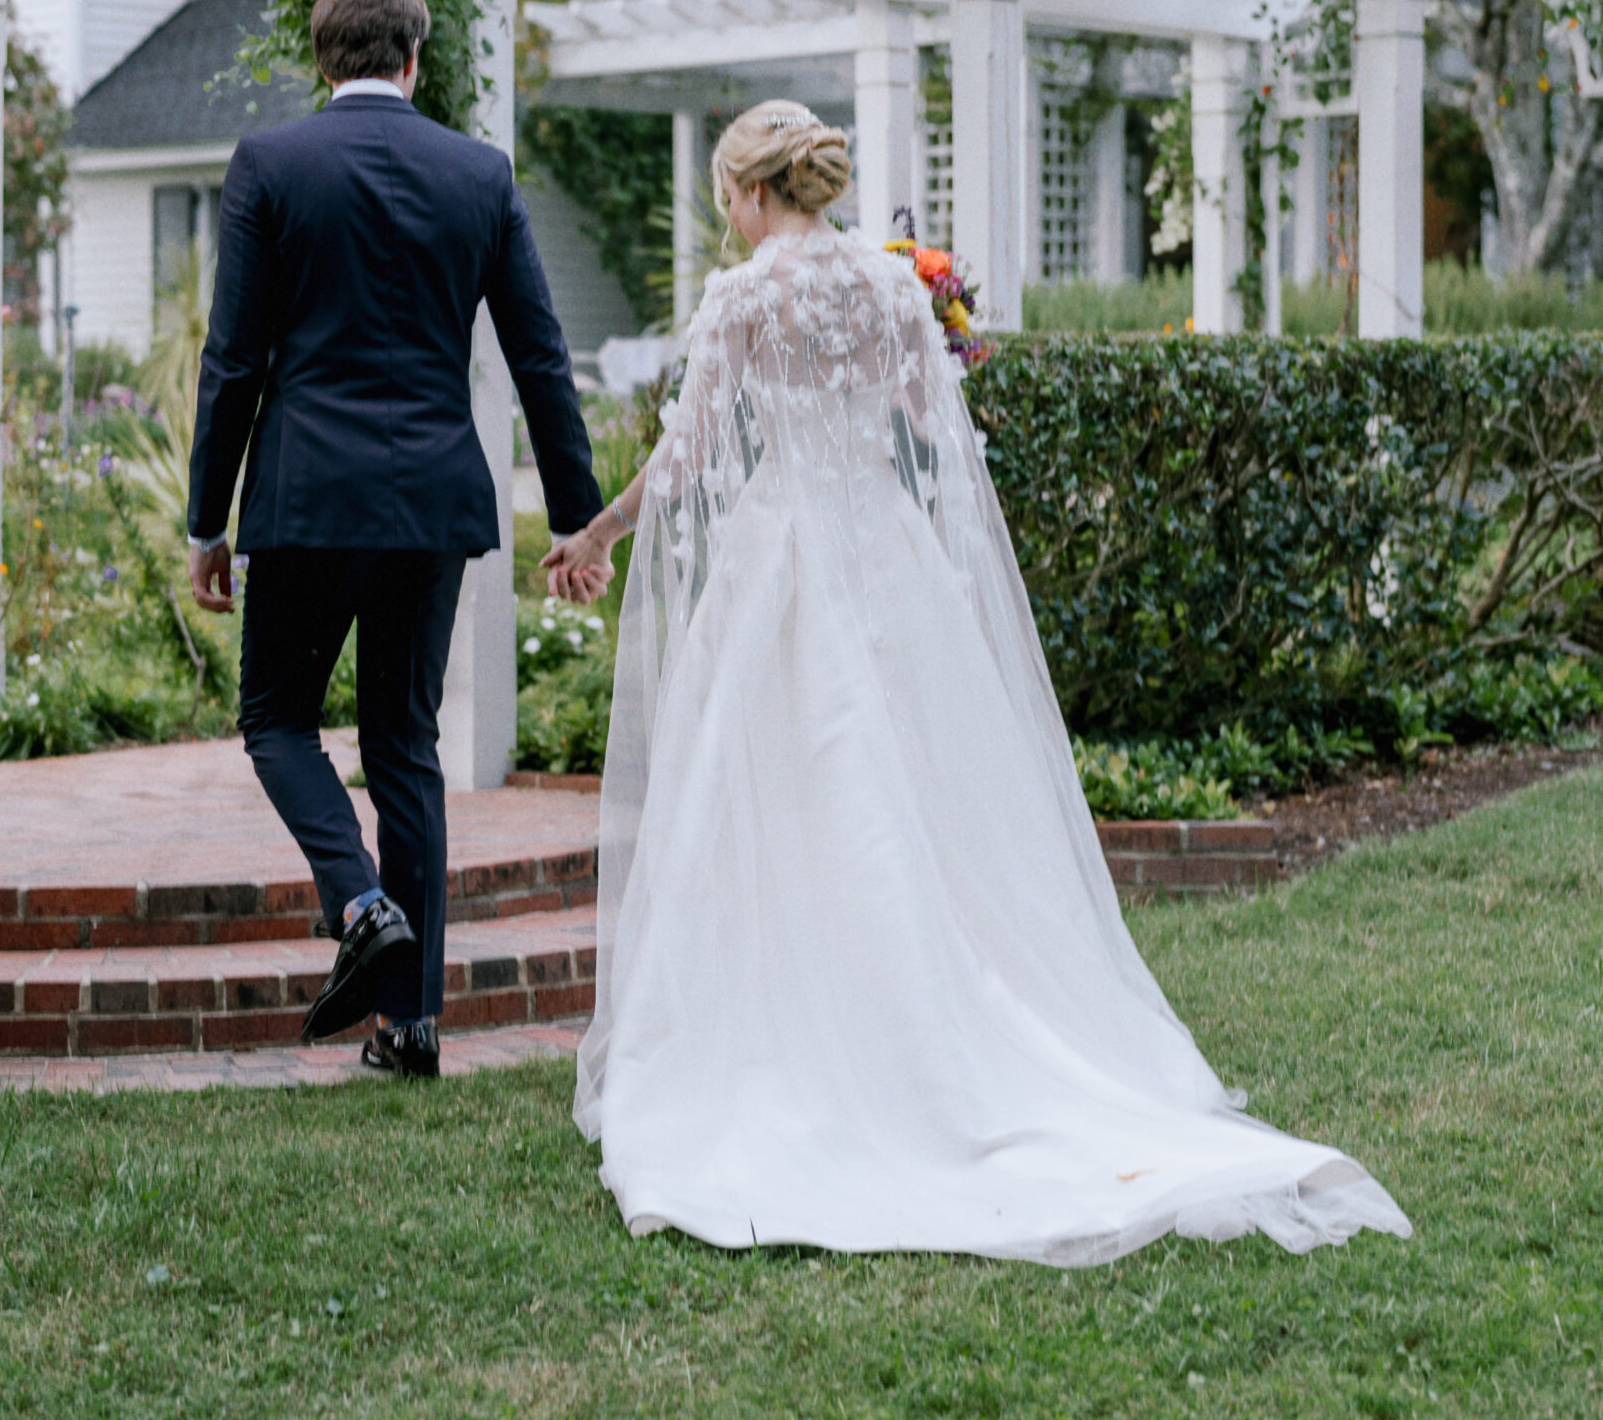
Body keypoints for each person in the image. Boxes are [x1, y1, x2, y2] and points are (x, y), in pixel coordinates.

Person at [542, 101, 1411, 1261]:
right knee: (911, 804)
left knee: (786, 800)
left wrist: (595, 535)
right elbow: (930, 434)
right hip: (888, 560)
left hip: (784, 561)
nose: (730, 218)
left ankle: (813, 1037)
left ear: (752, 194)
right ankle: (928, 1020)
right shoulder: (899, 288)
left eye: (728, 198)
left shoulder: (745, 296)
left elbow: (690, 455)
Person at [187, 0, 603, 1080]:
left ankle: (358, 898)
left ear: (323, 61)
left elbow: (234, 359)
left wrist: (204, 522)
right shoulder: (478, 172)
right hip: (430, 503)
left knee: (276, 719)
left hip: (305, 499)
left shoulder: (270, 166)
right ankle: (411, 1025)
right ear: (414, 60)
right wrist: (578, 519)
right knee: (404, 748)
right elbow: (539, 354)